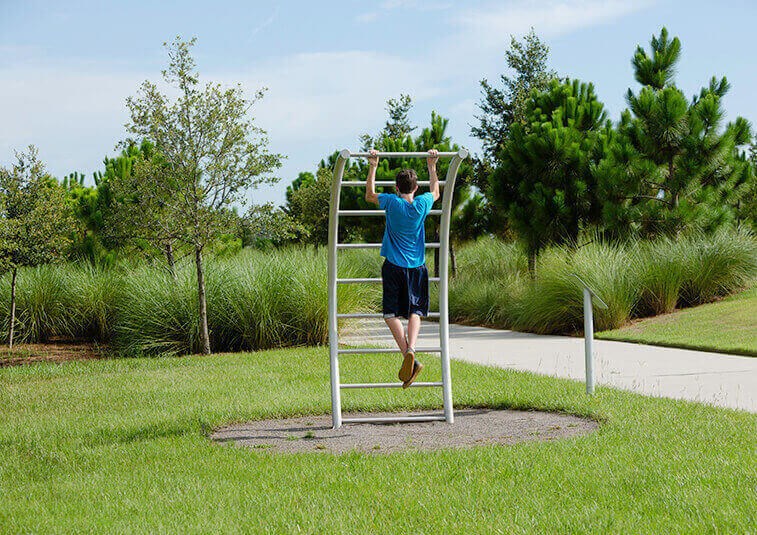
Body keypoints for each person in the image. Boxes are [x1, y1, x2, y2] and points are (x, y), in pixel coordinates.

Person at [364, 148, 440, 388]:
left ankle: (407, 354)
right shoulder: (422, 204)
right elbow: (436, 192)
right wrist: (432, 166)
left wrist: (373, 165)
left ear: (397, 188)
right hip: (417, 266)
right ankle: (412, 349)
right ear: (416, 188)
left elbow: (369, 195)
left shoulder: (392, 202)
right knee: (416, 310)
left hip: (394, 267)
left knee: (390, 314)